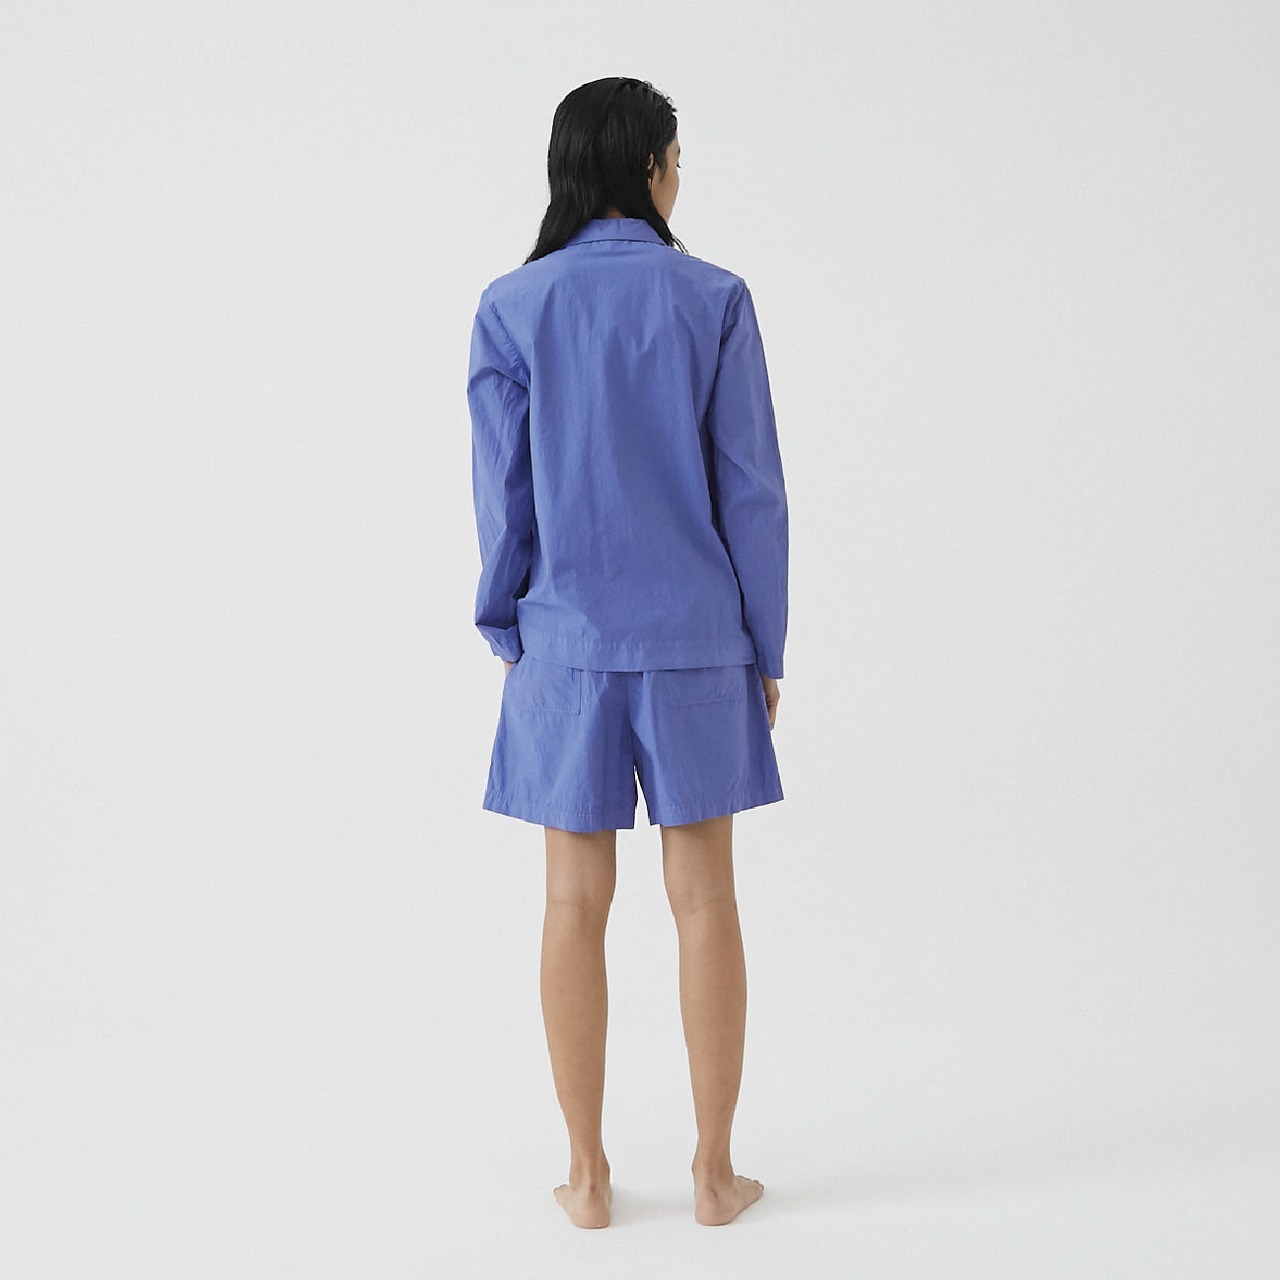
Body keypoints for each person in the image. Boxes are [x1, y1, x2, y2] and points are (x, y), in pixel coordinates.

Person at [466, 76, 788, 1229]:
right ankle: (713, 1171)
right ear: (648, 166)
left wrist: (504, 621)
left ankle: (588, 1173)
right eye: (676, 158)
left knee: (571, 900)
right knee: (705, 900)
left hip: (564, 641)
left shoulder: (512, 305)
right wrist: (763, 643)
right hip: (698, 638)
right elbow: (751, 491)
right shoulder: (713, 298)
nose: (678, 176)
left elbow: (502, 497)